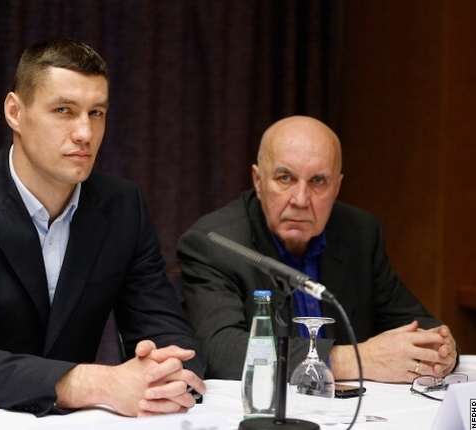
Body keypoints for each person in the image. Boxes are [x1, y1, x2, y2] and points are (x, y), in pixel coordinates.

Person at [0, 37, 206, 417]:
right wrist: (97, 382)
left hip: (64, 421)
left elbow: (168, 330)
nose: (85, 133)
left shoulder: (122, 206)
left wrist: (166, 371)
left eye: (96, 113)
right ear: (14, 112)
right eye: (63, 110)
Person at [177, 115, 458, 383]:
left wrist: (441, 348)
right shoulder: (216, 242)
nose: (300, 199)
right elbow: (220, 350)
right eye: (285, 178)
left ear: (337, 187)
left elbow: (414, 321)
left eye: (318, 181)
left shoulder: (360, 233)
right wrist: (358, 359)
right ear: (258, 181)